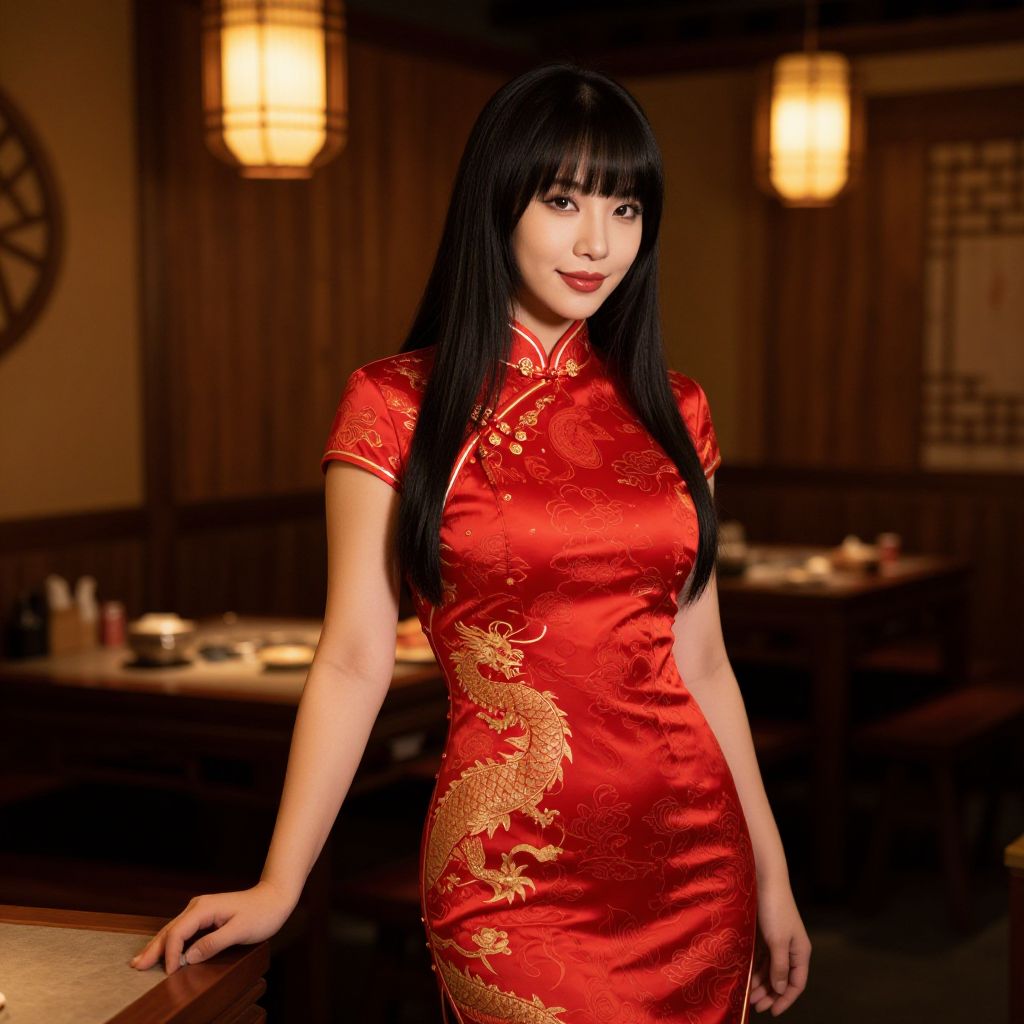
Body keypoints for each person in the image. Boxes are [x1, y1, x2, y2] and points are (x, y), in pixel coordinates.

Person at [130, 61, 810, 1022]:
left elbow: (702, 660)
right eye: (563, 199)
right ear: (498, 204)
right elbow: (355, 661)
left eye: (625, 209)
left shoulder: (675, 408)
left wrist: (773, 878)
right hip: (512, 879)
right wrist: (280, 881)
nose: (596, 242)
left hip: (697, 861)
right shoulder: (396, 405)